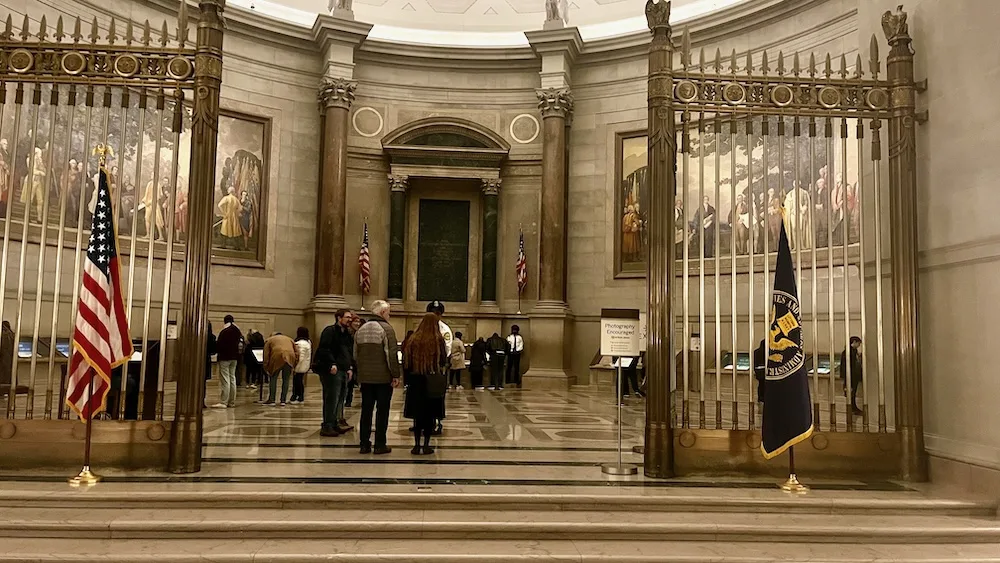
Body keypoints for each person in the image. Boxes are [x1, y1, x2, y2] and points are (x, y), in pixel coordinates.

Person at [353, 300, 401, 455]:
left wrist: (359, 374)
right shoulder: (386, 329)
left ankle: (364, 444)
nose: (389, 315)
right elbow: (391, 354)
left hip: (365, 378)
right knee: (382, 411)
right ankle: (380, 444)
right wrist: (395, 374)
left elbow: (355, 354)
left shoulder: (361, 329)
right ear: (382, 313)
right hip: (382, 379)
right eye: (388, 312)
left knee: (366, 411)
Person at [403, 313, 448, 455]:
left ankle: (416, 445)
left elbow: (407, 362)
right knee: (430, 415)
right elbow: (442, 360)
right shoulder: (437, 340)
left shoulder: (413, 339)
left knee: (418, 416)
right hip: (432, 381)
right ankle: (426, 445)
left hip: (416, 381)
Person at [313, 309, 355, 437]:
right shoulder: (329, 331)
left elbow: (347, 352)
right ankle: (327, 425)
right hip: (332, 370)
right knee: (332, 398)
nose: (350, 320)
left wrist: (349, 367)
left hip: (343, 370)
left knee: (341, 398)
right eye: (347, 317)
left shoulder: (346, 333)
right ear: (338, 318)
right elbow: (324, 349)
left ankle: (335, 423)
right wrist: (332, 363)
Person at [212, 315, 243, 409]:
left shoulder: (225, 331)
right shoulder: (237, 331)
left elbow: (219, 345)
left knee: (225, 380)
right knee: (232, 379)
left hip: (225, 358)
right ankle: (232, 402)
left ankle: (224, 401)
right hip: (235, 358)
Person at [263, 332, 297, 406]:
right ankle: (283, 401)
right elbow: (297, 352)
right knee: (286, 379)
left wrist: (266, 367)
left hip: (277, 356)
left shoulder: (269, 340)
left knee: (273, 377)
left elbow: (266, 354)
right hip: (290, 356)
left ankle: (272, 400)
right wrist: (295, 364)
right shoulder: (290, 339)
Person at [840, 336, 864, 416]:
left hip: (854, 375)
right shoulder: (848, 352)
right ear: (854, 342)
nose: (859, 345)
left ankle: (853, 408)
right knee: (851, 393)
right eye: (858, 343)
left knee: (853, 393)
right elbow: (846, 365)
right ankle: (852, 408)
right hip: (851, 375)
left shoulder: (854, 351)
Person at [290, 327, 312, 404]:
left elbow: (300, 356)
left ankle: (298, 397)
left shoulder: (300, 343)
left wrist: (295, 366)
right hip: (304, 365)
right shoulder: (308, 342)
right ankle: (297, 396)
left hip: (299, 365)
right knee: (299, 381)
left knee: (297, 382)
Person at [204, 322, 216, 409]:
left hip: (197, 361)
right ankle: (202, 400)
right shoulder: (212, 337)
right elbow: (213, 351)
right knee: (203, 383)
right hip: (206, 360)